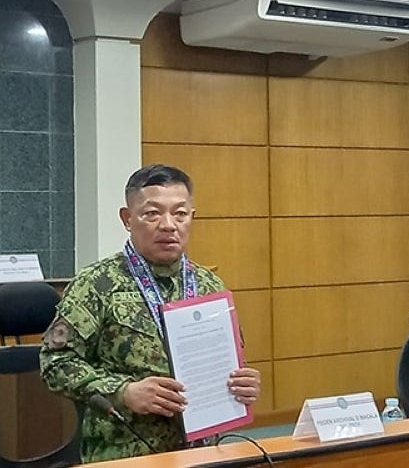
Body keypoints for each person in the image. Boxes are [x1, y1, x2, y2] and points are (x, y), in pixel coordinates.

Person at [40, 164, 260, 462]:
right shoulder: (96, 284)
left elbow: (229, 363)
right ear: (127, 219)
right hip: (126, 453)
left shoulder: (210, 285)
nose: (169, 225)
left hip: (206, 452)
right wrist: (124, 391)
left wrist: (242, 384)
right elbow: (55, 363)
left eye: (180, 213)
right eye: (152, 213)